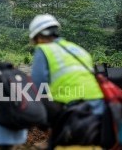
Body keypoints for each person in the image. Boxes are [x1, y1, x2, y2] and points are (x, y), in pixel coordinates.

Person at [29, 14, 105, 147]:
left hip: (73, 110)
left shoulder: (44, 50)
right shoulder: (78, 50)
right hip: (99, 107)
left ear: (38, 37)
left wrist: (41, 119)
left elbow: (38, 89)